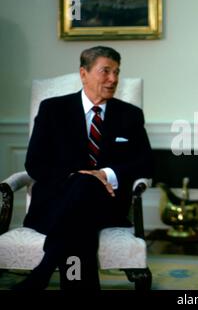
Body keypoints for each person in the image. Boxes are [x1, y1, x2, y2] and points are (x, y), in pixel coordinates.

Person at [12, 46, 153, 290]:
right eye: (105, 71)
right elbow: (34, 163)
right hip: (55, 203)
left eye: (117, 72)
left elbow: (146, 163)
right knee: (82, 205)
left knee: (85, 193)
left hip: (107, 206)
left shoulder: (130, 115)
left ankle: (43, 272)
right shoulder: (52, 109)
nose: (113, 79)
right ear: (83, 73)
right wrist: (76, 177)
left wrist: (104, 175)